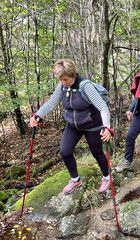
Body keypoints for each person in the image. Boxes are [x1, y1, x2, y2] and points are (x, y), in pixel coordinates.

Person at [29, 59, 112, 195]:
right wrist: (38, 115)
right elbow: (51, 104)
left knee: (97, 153)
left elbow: (102, 107)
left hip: (92, 124)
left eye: (65, 79)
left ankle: (107, 177)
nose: (62, 82)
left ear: (73, 75)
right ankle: (75, 180)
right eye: (60, 79)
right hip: (73, 124)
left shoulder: (86, 86)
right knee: (65, 151)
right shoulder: (62, 86)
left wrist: (107, 127)